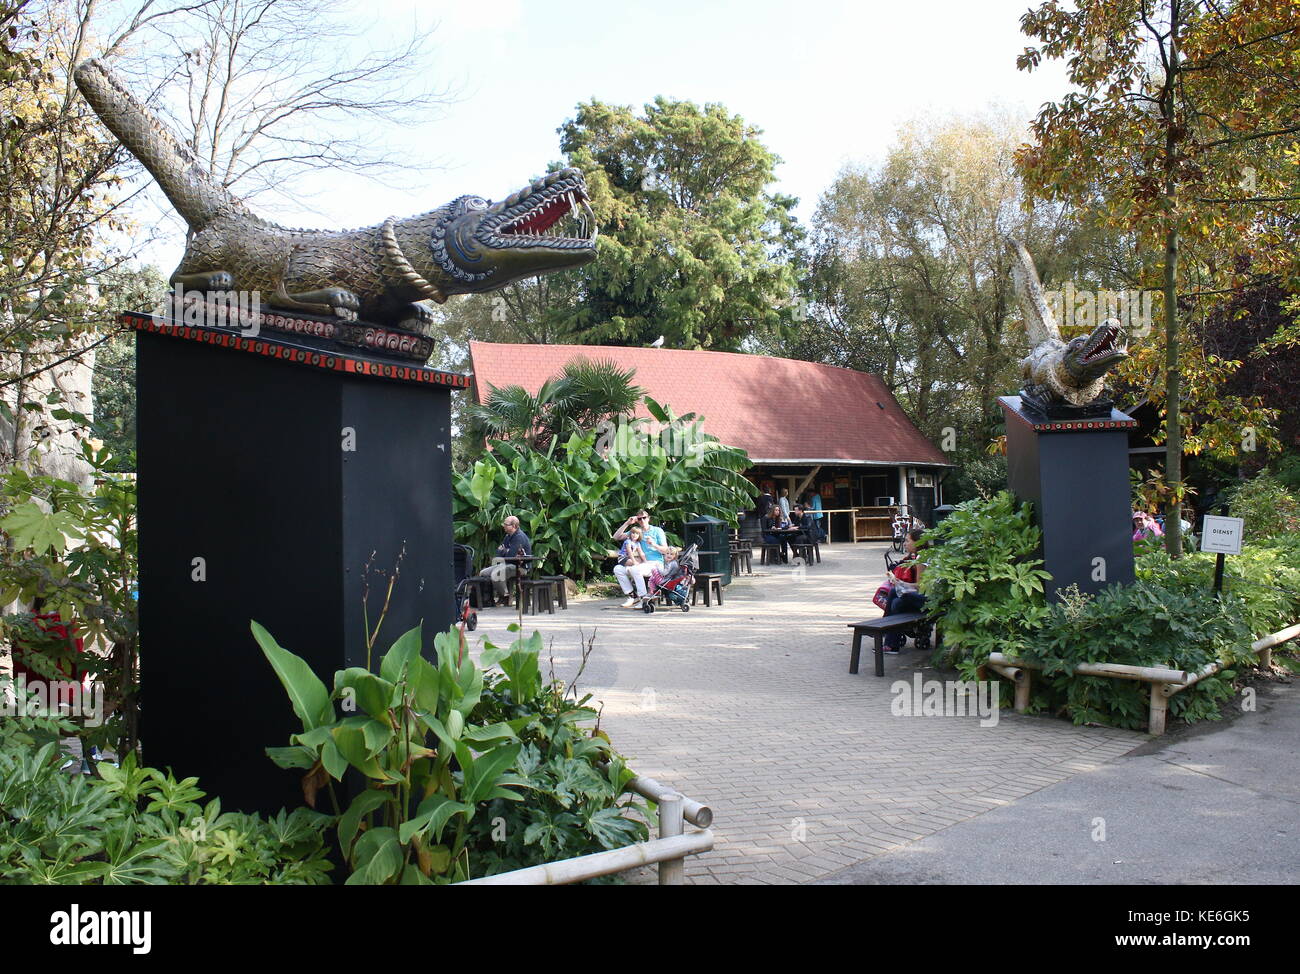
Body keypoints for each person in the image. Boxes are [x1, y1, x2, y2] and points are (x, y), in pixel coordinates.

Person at [613, 510, 676, 606]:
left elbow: (666, 550)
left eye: (644, 518)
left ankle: (644, 599)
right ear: (637, 520)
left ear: (648, 518)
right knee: (618, 569)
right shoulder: (637, 532)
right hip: (641, 563)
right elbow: (616, 537)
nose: (642, 520)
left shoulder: (657, 531)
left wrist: (654, 544)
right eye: (639, 518)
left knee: (635, 569)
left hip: (655, 563)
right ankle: (633, 596)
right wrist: (627, 523)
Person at [883, 528, 927, 652]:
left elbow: (920, 586)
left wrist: (901, 583)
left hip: (929, 600)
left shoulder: (922, 559)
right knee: (896, 599)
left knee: (896, 597)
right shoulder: (918, 556)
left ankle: (889, 638)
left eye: (907, 541)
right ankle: (890, 641)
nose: (905, 544)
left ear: (917, 542)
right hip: (924, 596)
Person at [479, 515, 532, 604]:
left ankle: (505, 596)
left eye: (506, 524)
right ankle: (488, 600)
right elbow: (499, 552)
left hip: (521, 567)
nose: (503, 526)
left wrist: (505, 551)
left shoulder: (519, 537)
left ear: (514, 526)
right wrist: (505, 551)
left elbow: (510, 556)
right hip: (507, 564)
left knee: (497, 573)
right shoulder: (508, 536)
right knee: (483, 573)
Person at [613, 525, 652, 608]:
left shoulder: (637, 543)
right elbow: (629, 552)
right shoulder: (628, 541)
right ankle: (631, 595)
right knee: (618, 569)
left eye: (637, 534)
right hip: (623, 558)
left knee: (637, 567)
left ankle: (642, 597)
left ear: (639, 535)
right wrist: (635, 562)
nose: (634, 535)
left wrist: (645, 561)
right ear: (630, 534)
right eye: (633, 533)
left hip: (631, 561)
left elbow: (641, 553)